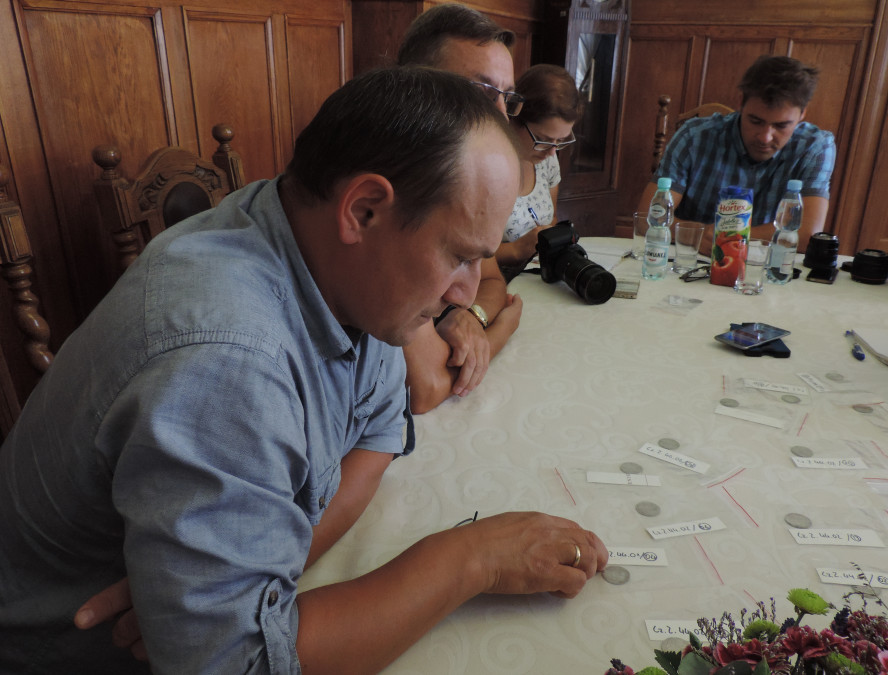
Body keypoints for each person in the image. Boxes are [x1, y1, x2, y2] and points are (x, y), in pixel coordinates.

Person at [0, 67, 608, 674]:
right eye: (459, 255)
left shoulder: (334, 257)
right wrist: (475, 559)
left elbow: (379, 430)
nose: (466, 294)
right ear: (363, 210)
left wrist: (253, 573)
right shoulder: (226, 363)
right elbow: (239, 664)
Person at [397, 2, 525, 414]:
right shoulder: (399, 180)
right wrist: (501, 328)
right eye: (481, 93)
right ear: (413, 86)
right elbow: (426, 388)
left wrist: (473, 316)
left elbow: (491, 279)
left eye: (507, 98)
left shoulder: (461, 181)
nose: (500, 116)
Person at [639, 55, 836, 254]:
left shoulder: (815, 147)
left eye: (781, 126)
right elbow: (647, 220)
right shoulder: (694, 136)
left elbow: (807, 236)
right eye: (755, 121)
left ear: (802, 114)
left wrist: (725, 237)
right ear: (740, 102)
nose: (765, 137)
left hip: (765, 264)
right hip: (692, 257)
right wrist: (697, 235)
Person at [496, 64, 582, 274]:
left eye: (560, 141)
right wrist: (516, 250)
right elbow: (460, 256)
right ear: (514, 118)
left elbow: (551, 220)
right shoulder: (488, 167)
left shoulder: (546, 160)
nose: (552, 152)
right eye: (542, 139)